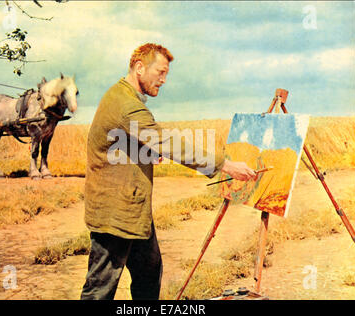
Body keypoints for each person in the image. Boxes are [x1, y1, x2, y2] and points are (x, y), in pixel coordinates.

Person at [81, 43, 256, 300]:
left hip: (132, 209)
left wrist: (146, 152)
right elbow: (167, 141)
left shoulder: (123, 97)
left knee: (149, 274)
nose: (163, 80)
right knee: (100, 289)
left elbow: (120, 142)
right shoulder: (126, 104)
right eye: (160, 72)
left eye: (166, 74)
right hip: (115, 213)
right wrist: (224, 165)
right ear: (139, 68)